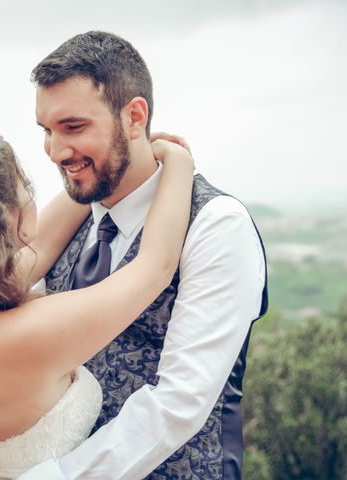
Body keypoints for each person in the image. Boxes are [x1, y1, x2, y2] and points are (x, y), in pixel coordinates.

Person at [19, 31, 268, 479]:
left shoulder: (217, 224)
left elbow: (178, 402)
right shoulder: (69, 220)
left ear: (134, 117)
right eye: (47, 131)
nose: (57, 152)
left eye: (74, 127)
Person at [0, 129, 194, 479]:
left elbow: (40, 248)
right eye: (24, 190)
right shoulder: (27, 333)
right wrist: (178, 161)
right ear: (16, 218)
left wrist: (112, 163)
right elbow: (155, 267)